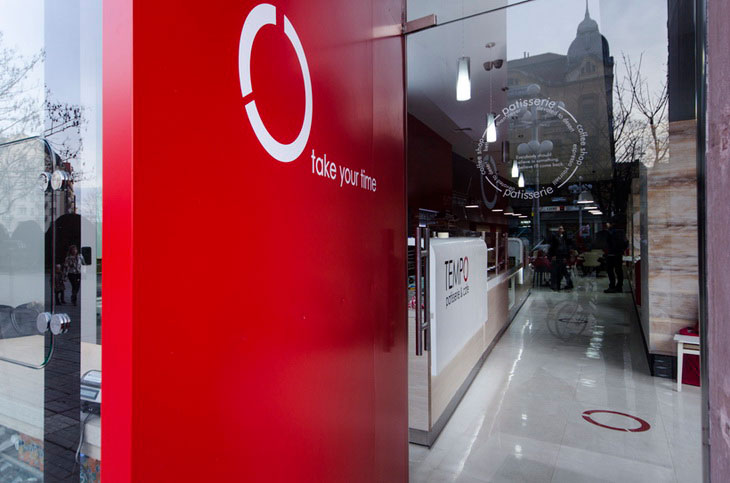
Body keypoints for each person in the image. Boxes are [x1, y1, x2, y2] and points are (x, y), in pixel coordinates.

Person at [604, 217, 628, 293]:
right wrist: (621, 250)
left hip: (611, 253)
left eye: (607, 223)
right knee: (618, 270)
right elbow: (626, 243)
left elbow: (608, 243)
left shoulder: (611, 232)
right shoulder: (622, 232)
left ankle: (612, 286)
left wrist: (609, 250)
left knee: (610, 270)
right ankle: (619, 286)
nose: (606, 225)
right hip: (618, 254)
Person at [548, 226, 573, 291]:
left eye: (561, 229)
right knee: (558, 271)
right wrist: (553, 255)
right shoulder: (556, 237)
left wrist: (566, 256)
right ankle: (557, 285)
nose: (560, 230)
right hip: (558, 256)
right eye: (559, 229)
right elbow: (553, 247)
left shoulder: (564, 238)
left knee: (561, 271)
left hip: (561, 256)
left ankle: (560, 285)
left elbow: (565, 247)